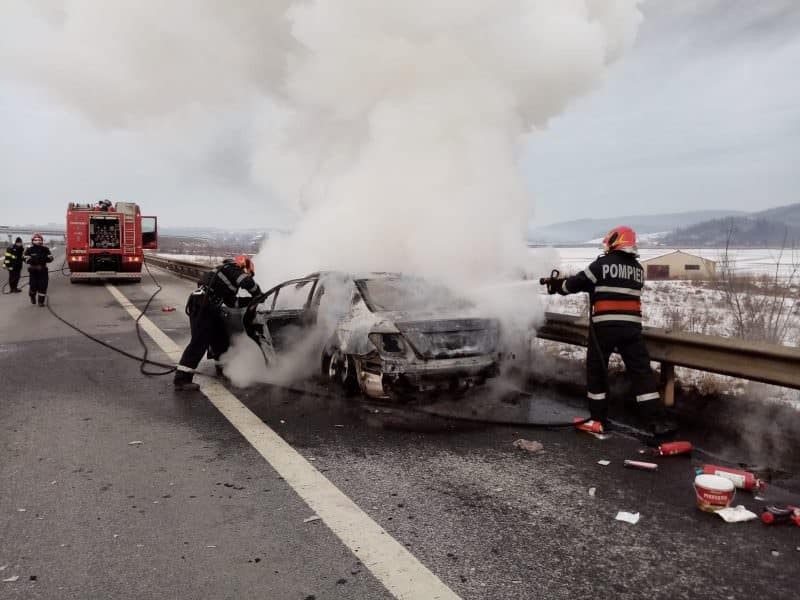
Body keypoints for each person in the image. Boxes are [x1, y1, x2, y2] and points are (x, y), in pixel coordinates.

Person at [546, 225, 677, 436]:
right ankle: (656, 423)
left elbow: (577, 283)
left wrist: (558, 286)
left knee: (597, 370)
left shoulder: (601, 264)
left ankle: (598, 419)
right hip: (632, 329)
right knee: (641, 373)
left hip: (604, 328)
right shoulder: (638, 270)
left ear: (615, 241)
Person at [174, 255, 262, 391]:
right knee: (199, 342)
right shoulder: (232, 268)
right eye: (249, 274)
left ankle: (223, 369)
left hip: (211, 307)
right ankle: (182, 379)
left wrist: (251, 302)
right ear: (244, 267)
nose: (249, 277)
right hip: (202, 305)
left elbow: (232, 302)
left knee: (220, 338)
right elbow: (246, 282)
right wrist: (258, 294)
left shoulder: (228, 279)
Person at [23, 233, 54, 306]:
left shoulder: (45, 249)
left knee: (43, 286)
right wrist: (33, 261)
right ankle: (32, 295)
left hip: (43, 271)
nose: (38, 241)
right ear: (32, 241)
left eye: (39, 240)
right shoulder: (29, 250)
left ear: (42, 241)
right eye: (36, 240)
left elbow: (51, 258)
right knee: (33, 286)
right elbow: (25, 259)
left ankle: (41, 302)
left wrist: (46, 259)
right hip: (33, 271)